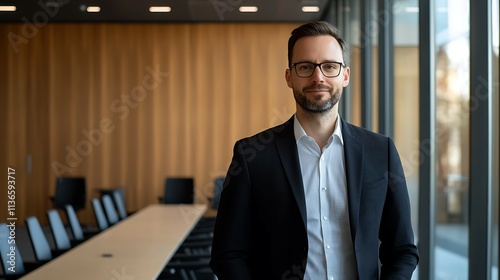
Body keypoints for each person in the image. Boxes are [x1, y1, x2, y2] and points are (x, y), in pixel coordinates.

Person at [210, 21, 419, 280]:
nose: (318, 77)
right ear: (289, 77)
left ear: (345, 75)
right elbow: (228, 253)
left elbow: (402, 249)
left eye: (330, 66)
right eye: (305, 67)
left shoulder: (381, 151)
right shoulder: (252, 155)